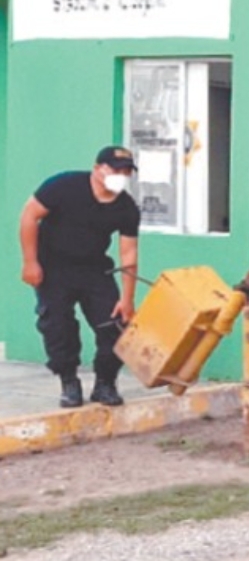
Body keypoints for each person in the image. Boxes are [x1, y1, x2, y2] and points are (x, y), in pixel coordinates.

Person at [19, 146, 141, 408]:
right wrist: (30, 262)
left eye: (126, 171)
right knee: (57, 326)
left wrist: (128, 300)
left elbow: (128, 255)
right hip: (54, 269)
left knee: (115, 325)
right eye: (114, 169)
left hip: (95, 270)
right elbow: (30, 215)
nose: (120, 175)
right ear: (98, 169)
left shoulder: (126, 207)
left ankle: (105, 383)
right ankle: (69, 382)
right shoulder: (63, 186)